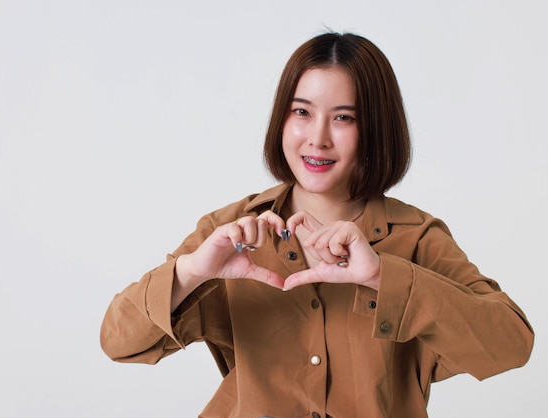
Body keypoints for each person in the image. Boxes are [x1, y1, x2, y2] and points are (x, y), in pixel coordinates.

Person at [100, 32, 534, 417]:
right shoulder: (231, 232)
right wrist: (192, 272)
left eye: (344, 117)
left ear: (375, 129)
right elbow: (118, 341)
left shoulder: (417, 237)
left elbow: (511, 346)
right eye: (302, 112)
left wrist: (385, 277)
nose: (318, 138)